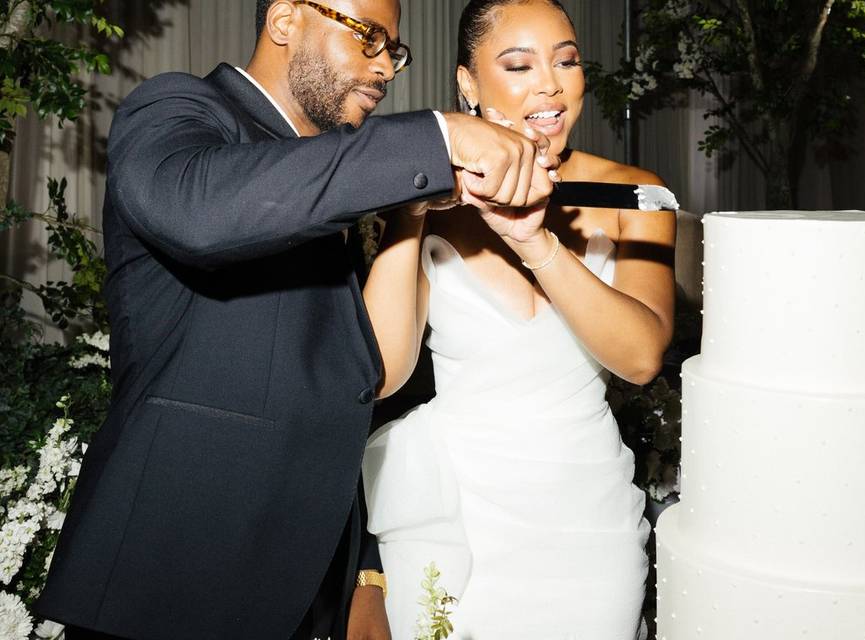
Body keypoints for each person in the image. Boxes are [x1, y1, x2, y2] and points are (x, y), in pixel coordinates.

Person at [35, 1, 560, 639]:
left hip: (307, 587)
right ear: (285, 21)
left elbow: (355, 387)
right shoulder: (178, 108)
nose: (385, 68)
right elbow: (201, 211)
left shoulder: (339, 180)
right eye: (369, 38)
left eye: (393, 51)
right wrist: (440, 136)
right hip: (173, 578)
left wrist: (364, 571)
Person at [360, 0, 678, 638]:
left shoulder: (632, 195)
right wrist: (410, 211)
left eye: (566, 61)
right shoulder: (421, 204)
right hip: (454, 513)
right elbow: (384, 374)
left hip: (586, 517)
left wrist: (538, 245)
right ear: (468, 85)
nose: (550, 84)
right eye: (518, 65)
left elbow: (641, 357)